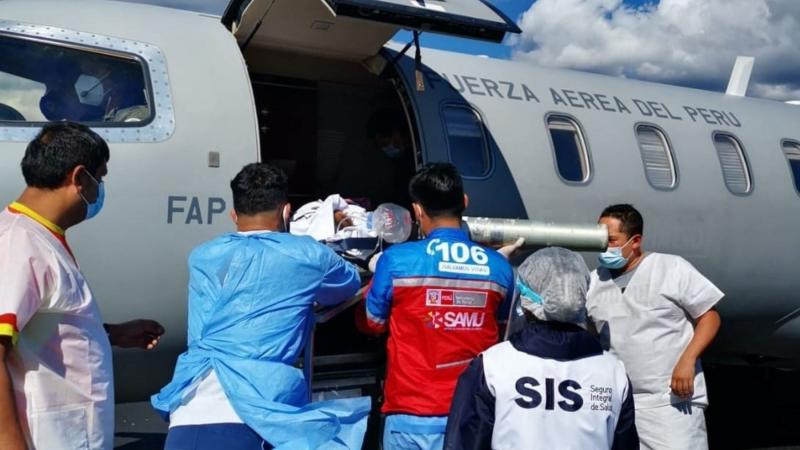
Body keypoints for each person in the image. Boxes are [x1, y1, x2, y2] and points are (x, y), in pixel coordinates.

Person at [152, 163, 371, 450]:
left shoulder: (202, 255)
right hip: (255, 417)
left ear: (233, 214)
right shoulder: (308, 254)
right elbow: (348, 284)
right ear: (286, 211)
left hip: (187, 410)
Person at [0, 122, 165, 450]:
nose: (99, 190)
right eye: (99, 179)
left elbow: (41, 328)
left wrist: (110, 334)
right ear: (78, 178)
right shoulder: (18, 243)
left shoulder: (39, 237)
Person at [357, 163, 514, 450]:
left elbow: (372, 323)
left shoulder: (397, 260)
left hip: (411, 417)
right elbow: (502, 334)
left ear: (417, 210)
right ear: (464, 202)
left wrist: (369, 289)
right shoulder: (499, 267)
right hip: (473, 417)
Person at [444, 247, 639, 450]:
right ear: (581, 295)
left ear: (526, 301)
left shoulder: (492, 367)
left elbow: (464, 442)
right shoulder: (613, 372)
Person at [586, 204, 723, 450]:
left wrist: (688, 360)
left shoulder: (670, 267)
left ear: (635, 241)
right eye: (600, 239)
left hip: (670, 401)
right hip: (618, 402)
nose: (604, 246)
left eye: (612, 240)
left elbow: (709, 316)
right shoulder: (594, 281)